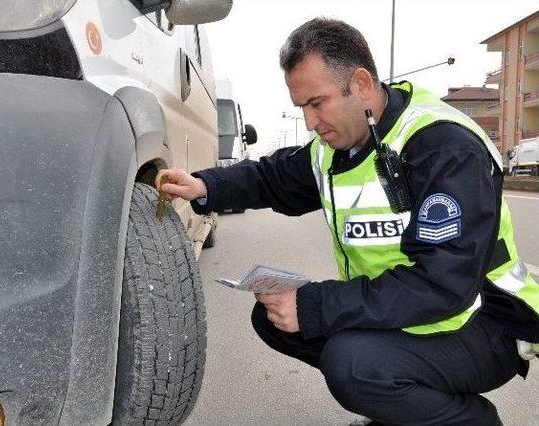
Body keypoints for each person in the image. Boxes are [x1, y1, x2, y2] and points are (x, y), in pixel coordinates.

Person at [156, 17, 539, 425]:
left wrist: (315, 305)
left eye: (317, 103)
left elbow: (443, 285)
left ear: (360, 84)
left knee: (352, 365)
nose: (309, 122)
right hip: (407, 313)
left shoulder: (444, 147)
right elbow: (273, 176)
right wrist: (203, 186)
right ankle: (401, 403)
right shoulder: (333, 148)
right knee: (274, 318)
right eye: (302, 107)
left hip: (482, 321)